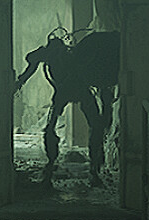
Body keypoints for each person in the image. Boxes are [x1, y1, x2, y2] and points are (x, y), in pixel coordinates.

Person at [13, 31, 112, 186]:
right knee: (90, 126)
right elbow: (32, 61)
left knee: (57, 127)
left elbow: (32, 61)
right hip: (77, 91)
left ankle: (88, 170)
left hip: (70, 91)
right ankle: (87, 170)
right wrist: (20, 82)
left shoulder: (58, 54)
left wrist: (20, 82)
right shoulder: (68, 54)